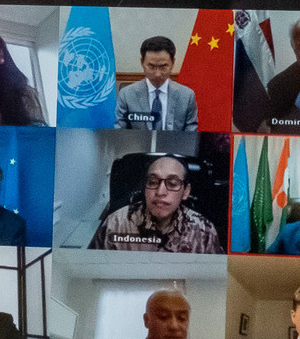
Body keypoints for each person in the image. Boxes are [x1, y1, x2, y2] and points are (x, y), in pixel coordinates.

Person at [90, 154, 223, 253]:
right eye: (153, 182)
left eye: (172, 184)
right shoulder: (116, 223)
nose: (160, 192)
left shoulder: (205, 231)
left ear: (185, 192)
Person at [115, 36, 198, 130]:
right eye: (151, 66)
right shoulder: (127, 94)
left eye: (163, 67)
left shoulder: (186, 96)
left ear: (173, 63)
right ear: (142, 63)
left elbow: (191, 134)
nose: (157, 74)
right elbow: (120, 133)